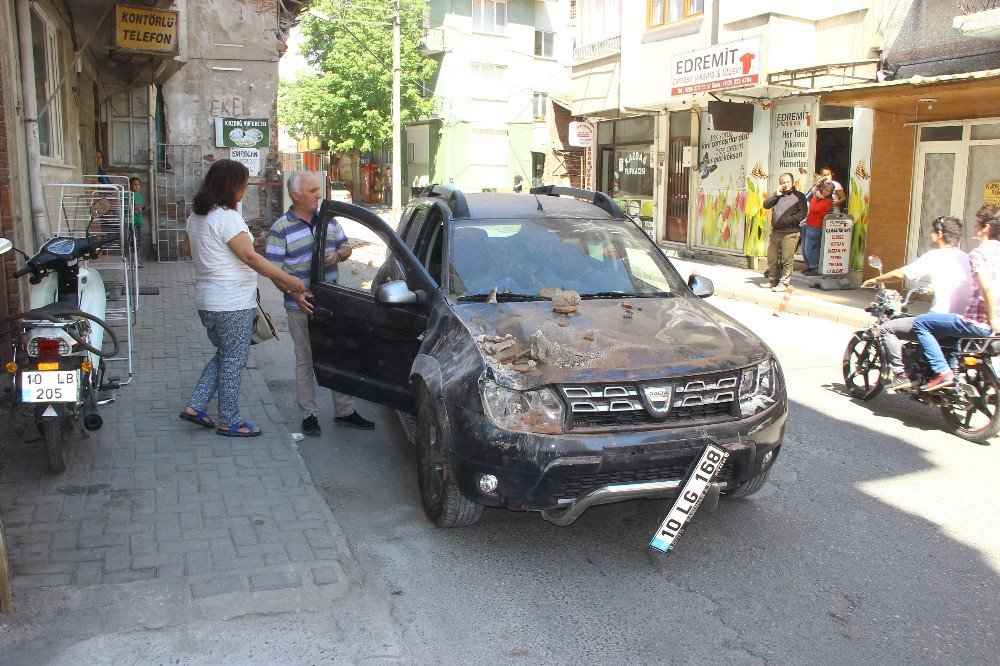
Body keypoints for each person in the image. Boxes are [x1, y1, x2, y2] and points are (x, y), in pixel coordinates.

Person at [180, 159, 309, 437]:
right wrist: (288, 280)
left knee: (225, 355)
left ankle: (195, 405)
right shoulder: (226, 217)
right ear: (230, 186)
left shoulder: (197, 216)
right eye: (243, 185)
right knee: (233, 361)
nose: (245, 191)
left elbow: (189, 250)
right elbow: (250, 257)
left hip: (207, 300)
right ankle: (229, 420)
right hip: (231, 302)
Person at [265, 171, 375, 436]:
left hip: (332, 303)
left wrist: (336, 254)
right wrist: (295, 295)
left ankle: (345, 411)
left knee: (339, 355)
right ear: (296, 194)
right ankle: (309, 416)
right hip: (301, 305)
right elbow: (274, 272)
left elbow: (347, 248)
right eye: (313, 191)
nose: (319, 195)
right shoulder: (280, 229)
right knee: (305, 360)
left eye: (318, 190)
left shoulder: (328, 221)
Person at [862, 216, 972, 390]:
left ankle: (901, 374)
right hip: (961, 320)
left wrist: (875, 279)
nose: (931, 235)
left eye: (933, 232)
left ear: (940, 234)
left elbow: (901, 274)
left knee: (887, 328)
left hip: (939, 318)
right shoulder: (967, 258)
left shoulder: (936, 256)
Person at [912, 206, 1000, 391]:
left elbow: (987, 287)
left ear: (986, 228)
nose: (974, 227)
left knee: (921, 323)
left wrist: (993, 319)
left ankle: (942, 371)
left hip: (978, 322)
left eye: (977, 224)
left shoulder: (979, 253)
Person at [761, 172, 808, 292]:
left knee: (787, 259)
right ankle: (773, 281)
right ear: (780, 184)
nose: (785, 184)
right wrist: (776, 195)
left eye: (788, 182)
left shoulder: (799, 196)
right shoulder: (778, 196)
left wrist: (789, 220)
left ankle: (784, 283)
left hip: (791, 232)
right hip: (777, 232)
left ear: (792, 182)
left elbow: (803, 213)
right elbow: (766, 205)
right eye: (783, 182)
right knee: (772, 257)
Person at [801, 180, 835, 276]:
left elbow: (814, 208)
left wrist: (815, 196)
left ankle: (814, 267)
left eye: (828, 190)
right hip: (808, 223)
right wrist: (815, 191)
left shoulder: (828, 201)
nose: (825, 191)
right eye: (824, 189)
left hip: (816, 226)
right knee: (804, 247)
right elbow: (806, 198)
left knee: (810, 247)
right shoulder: (819, 197)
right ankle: (809, 266)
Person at [129, 177, 145, 268]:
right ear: (130, 185)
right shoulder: (128, 195)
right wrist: (135, 208)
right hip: (131, 221)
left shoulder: (139, 196)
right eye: (134, 184)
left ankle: (135, 260)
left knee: (137, 241)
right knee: (133, 241)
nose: (136, 186)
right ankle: (134, 261)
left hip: (138, 221)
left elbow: (139, 209)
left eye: (138, 184)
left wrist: (141, 209)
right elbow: (126, 207)